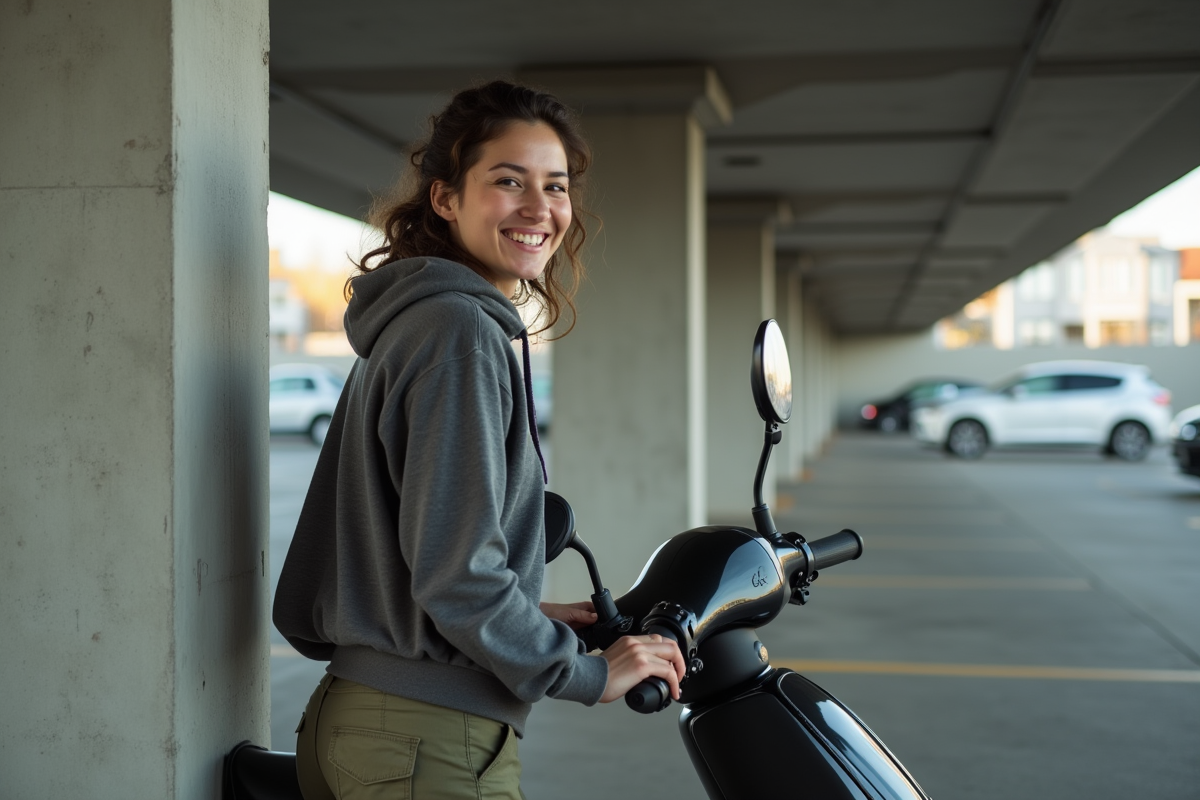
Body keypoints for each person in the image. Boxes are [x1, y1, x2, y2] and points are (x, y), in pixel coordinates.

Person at [272, 80, 686, 800]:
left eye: (554, 186)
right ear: (445, 199)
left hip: (375, 725)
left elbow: (416, 555)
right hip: (424, 740)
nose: (540, 208)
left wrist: (527, 613)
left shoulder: (420, 325)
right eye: (507, 181)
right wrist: (586, 671)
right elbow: (456, 575)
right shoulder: (458, 335)